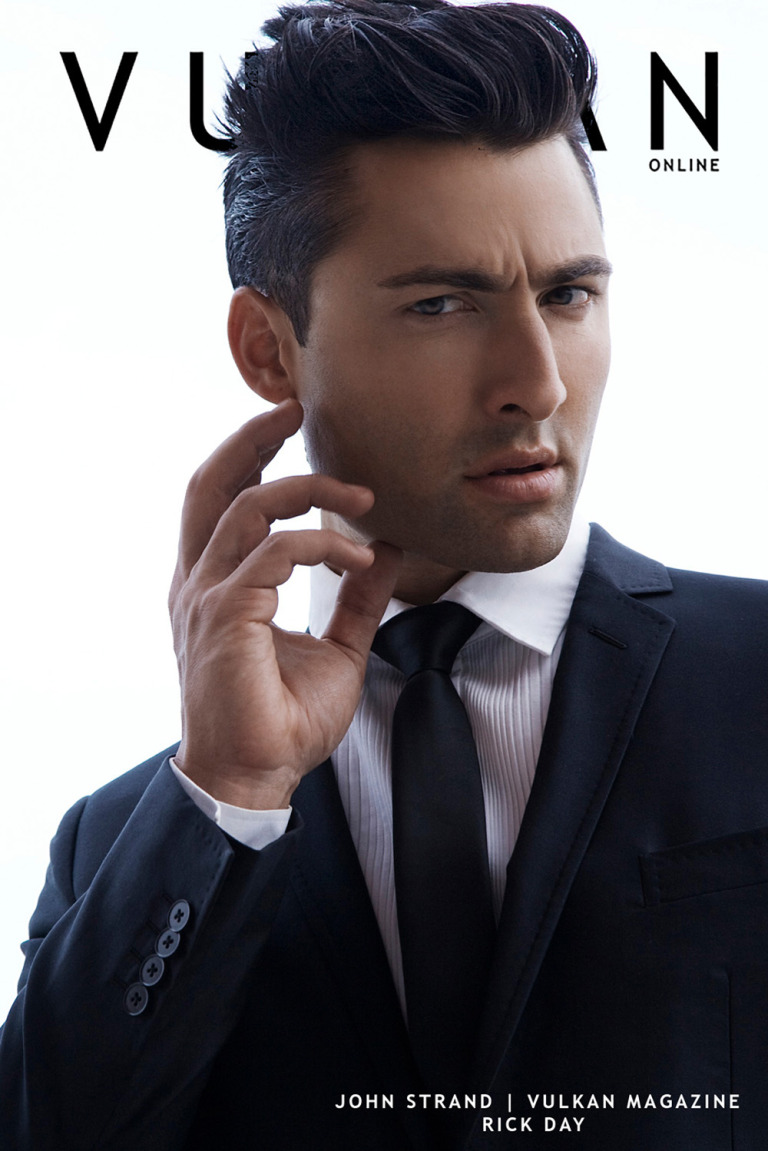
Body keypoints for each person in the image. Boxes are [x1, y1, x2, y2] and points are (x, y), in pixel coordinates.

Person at [2, 1, 767, 1148]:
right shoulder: (126, 845)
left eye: (568, 294)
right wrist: (232, 788)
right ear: (270, 350)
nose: (538, 384)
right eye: (441, 304)